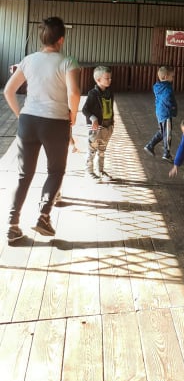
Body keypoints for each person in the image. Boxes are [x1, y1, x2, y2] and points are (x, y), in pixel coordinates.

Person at [3, 16, 81, 242]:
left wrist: (20, 115)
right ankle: (43, 216)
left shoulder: (28, 60)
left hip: (28, 121)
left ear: (42, 38)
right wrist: (73, 116)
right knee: (55, 171)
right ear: (61, 39)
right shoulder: (68, 61)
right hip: (55, 122)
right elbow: (74, 93)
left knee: (24, 174)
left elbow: (8, 91)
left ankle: (12, 225)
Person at [82, 65, 114, 182]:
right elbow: (85, 109)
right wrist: (93, 118)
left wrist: (112, 124)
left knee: (102, 150)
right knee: (92, 150)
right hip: (96, 128)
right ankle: (89, 171)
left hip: (107, 126)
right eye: (107, 78)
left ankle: (100, 171)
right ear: (98, 79)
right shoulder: (93, 93)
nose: (110, 80)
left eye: (110, 78)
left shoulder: (110, 93)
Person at [143, 66, 177, 161]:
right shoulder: (168, 88)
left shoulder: (158, 87)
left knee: (162, 132)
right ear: (166, 77)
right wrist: (172, 107)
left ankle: (150, 146)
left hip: (159, 112)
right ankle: (167, 153)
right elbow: (167, 98)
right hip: (166, 113)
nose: (173, 78)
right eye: (172, 76)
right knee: (167, 133)